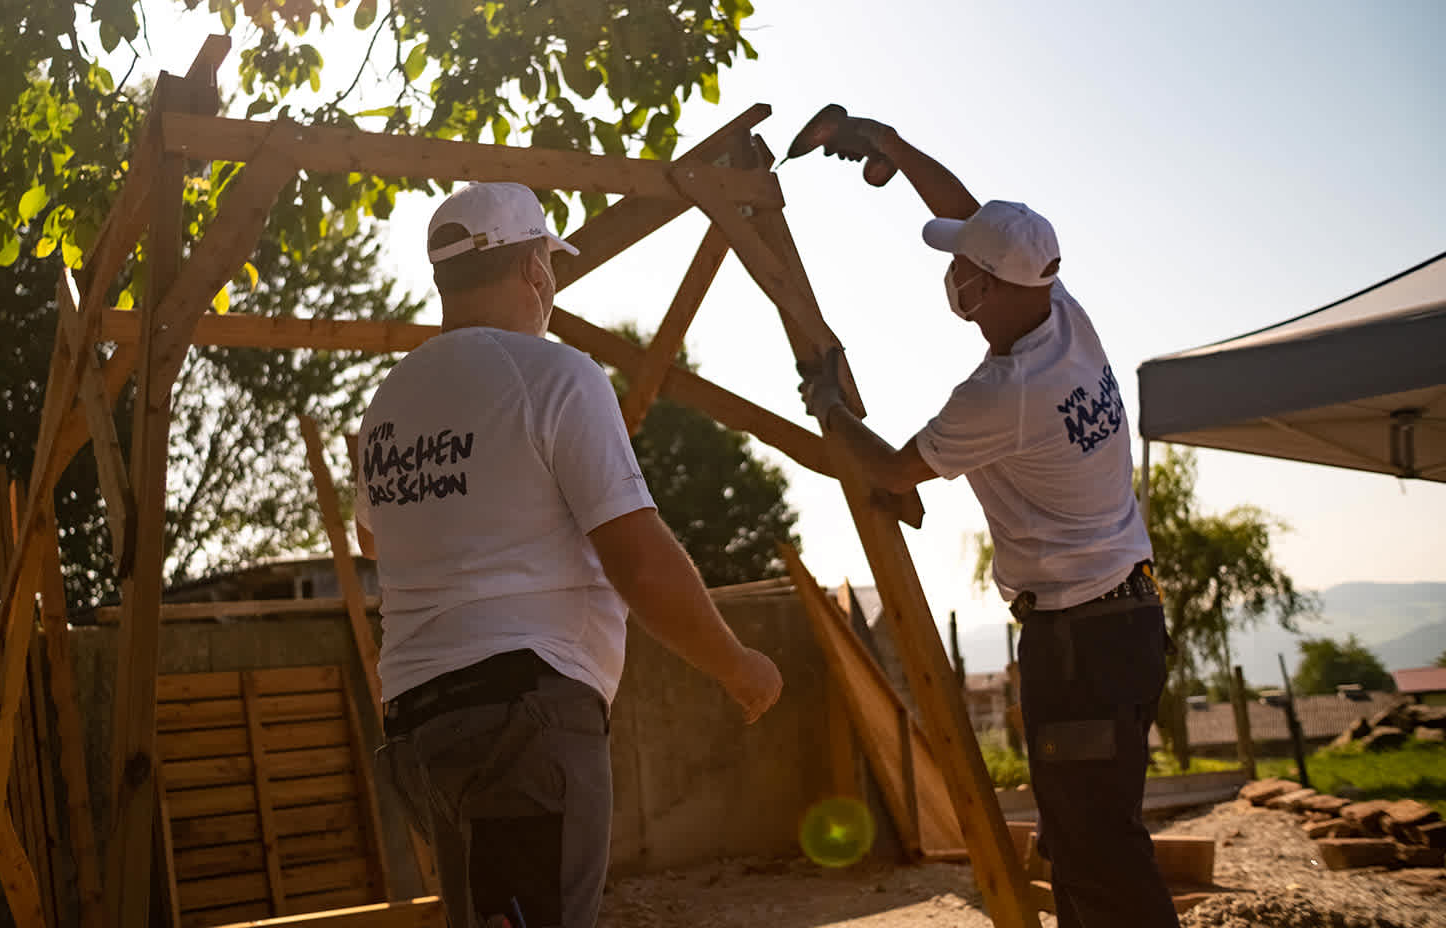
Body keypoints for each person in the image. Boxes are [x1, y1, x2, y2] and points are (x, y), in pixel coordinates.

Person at [354, 182, 784, 928]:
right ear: (536, 270)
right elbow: (638, 560)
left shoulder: (390, 401)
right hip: (522, 723)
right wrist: (736, 663)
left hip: (421, 729)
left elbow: (372, 538)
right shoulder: (556, 374)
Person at [796, 119, 1180, 928]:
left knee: (1099, 851)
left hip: (1081, 641)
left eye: (966, 269)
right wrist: (891, 147)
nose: (955, 275)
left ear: (997, 287)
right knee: (1081, 843)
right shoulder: (1063, 313)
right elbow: (976, 218)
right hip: (1121, 622)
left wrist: (829, 407)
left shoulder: (1003, 392)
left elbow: (895, 469)